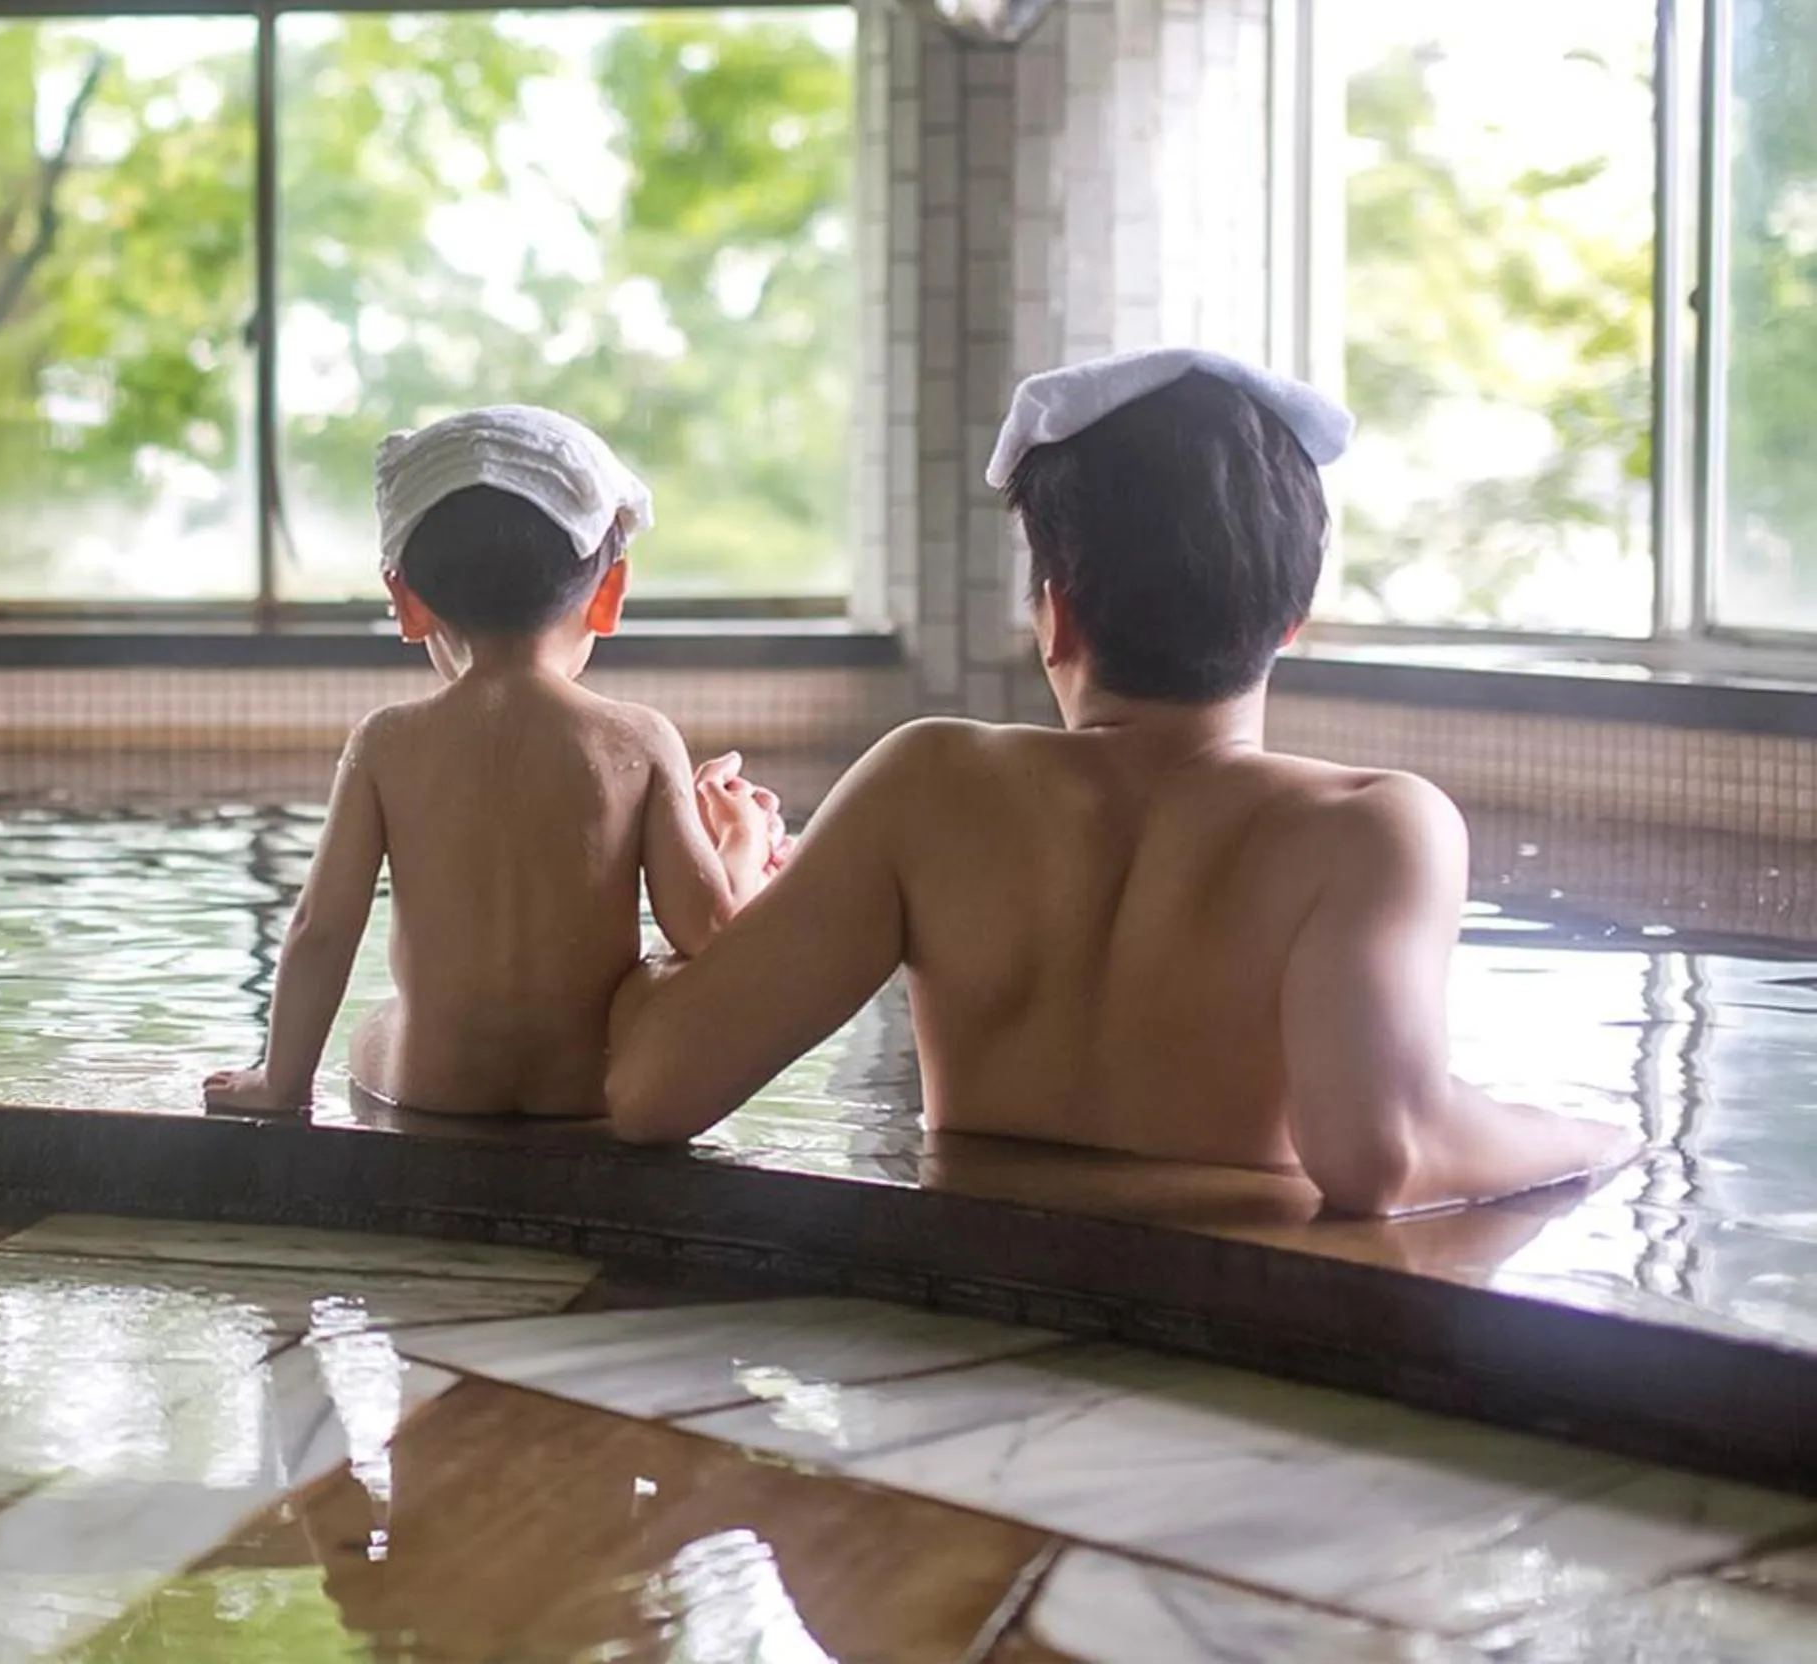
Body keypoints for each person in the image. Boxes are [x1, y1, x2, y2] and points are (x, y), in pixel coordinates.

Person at [606, 348, 1638, 1218]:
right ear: (1291, 621)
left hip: (953, 1350)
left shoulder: (927, 785)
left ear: (1056, 614)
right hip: (1231, 1379)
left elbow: (654, 1093)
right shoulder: (1372, 831)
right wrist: (1587, 1136)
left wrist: (725, 899)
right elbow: (1383, 1158)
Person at [204, 405, 786, 1118]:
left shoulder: (386, 742)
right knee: (658, 977)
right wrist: (742, 837)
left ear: (406, 603)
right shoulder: (638, 740)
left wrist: (280, 1083)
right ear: (610, 595)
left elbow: (320, 930)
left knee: (386, 1016)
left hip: (428, 1083)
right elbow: (712, 933)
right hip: (581, 1091)